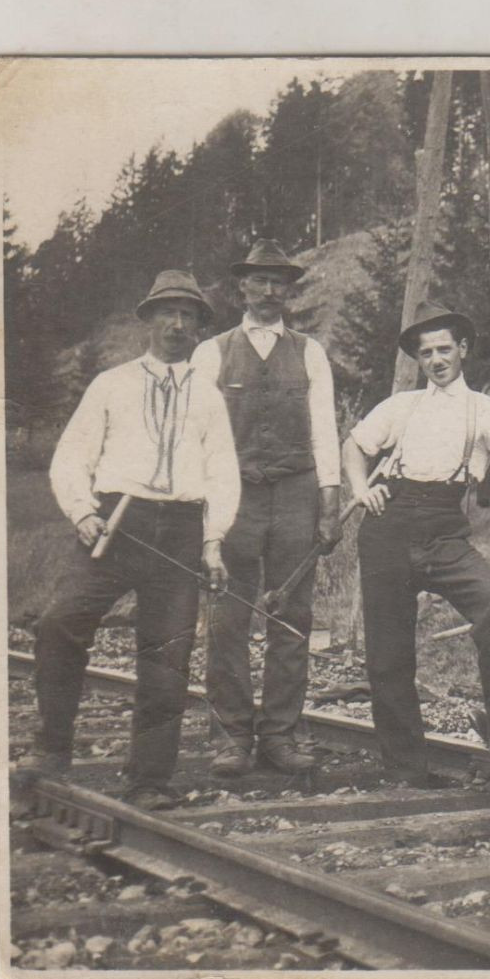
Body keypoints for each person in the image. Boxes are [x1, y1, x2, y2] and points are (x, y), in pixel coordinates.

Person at [25, 270, 239, 810]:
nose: (177, 323)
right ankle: (51, 748)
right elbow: (71, 458)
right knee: (59, 623)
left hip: (182, 532)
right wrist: (81, 512)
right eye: (167, 312)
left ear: (199, 328)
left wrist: (213, 541)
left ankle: (150, 779)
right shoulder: (112, 385)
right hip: (117, 525)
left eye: (188, 315)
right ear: (148, 320)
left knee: (167, 659)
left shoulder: (209, 397)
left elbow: (222, 475)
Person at [341, 302, 490, 783]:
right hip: (389, 525)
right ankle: (403, 765)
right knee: (389, 651)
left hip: (445, 528)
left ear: (463, 350)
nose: (436, 359)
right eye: (426, 352)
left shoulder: (486, 411)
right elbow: (355, 445)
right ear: (419, 359)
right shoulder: (401, 406)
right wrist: (361, 489)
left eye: (444, 349)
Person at [191, 240, 341, 778]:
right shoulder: (212, 352)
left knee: (292, 616)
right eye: (260, 280)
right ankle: (230, 735)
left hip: (297, 494)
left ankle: (280, 734)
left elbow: (326, 430)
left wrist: (330, 500)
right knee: (228, 616)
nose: (271, 290)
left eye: (280, 281)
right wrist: (207, 505)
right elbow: (199, 435)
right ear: (242, 288)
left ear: (288, 290)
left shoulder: (309, 352)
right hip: (234, 498)